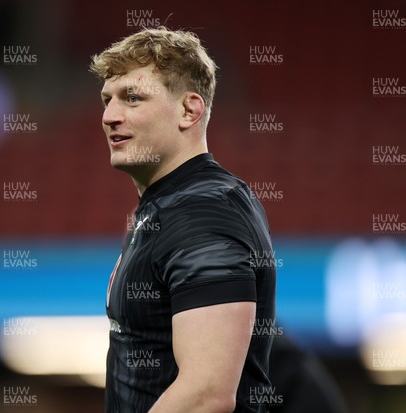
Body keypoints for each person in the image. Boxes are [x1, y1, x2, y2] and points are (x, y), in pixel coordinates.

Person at [90, 27, 277, 413]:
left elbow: (205, 396)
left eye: (132, 98)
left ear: (189, 110)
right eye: (107, 100)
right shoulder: (171, 206)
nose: (109, 116)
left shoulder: (204, 211)